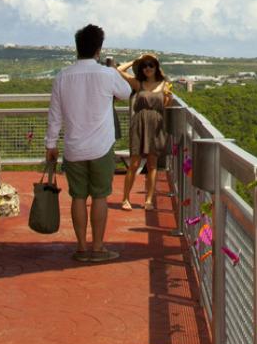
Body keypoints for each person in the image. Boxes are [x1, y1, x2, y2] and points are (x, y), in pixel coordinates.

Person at [45, 25, 134, 262]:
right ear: (98, 48)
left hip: (74, 148)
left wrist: (51, 145)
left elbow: (54, 115)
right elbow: (126, 93)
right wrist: (113, 69)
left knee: (78, 197)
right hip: (101, 147)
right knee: (100, 196)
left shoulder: (62, 76)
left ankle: (82, 248)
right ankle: (98, 247)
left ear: (77, 48)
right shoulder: (107, 74)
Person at [118, 54, 171, 211]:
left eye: (151, 65)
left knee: (152, 165)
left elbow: (167, 105)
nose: (148, 68)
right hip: (139, 125)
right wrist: (136, 61)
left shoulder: (164, 84)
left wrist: (168, 96)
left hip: (156, 125)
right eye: (145, 65)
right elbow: (118, 70)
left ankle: (148, 200)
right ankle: (125, 198)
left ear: (156, 67)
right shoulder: (138, 83)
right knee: (134, 164)